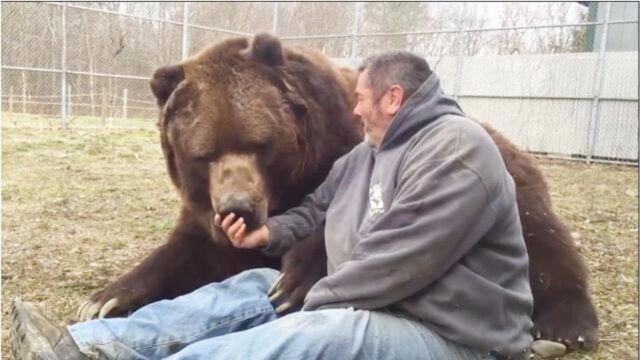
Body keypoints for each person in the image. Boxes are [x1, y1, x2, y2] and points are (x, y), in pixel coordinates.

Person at [12, 51, 533, 360]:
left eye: (362, 98)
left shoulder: (456, 150)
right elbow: (318, 209)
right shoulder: (370, 154)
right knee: (256, 285)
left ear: (393, 99)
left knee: (317, 328)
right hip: (382, 306)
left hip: (448, 337)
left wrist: (318, 296)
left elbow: (399, 264)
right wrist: (269, 236)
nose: (353, 109)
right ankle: (87, 345)